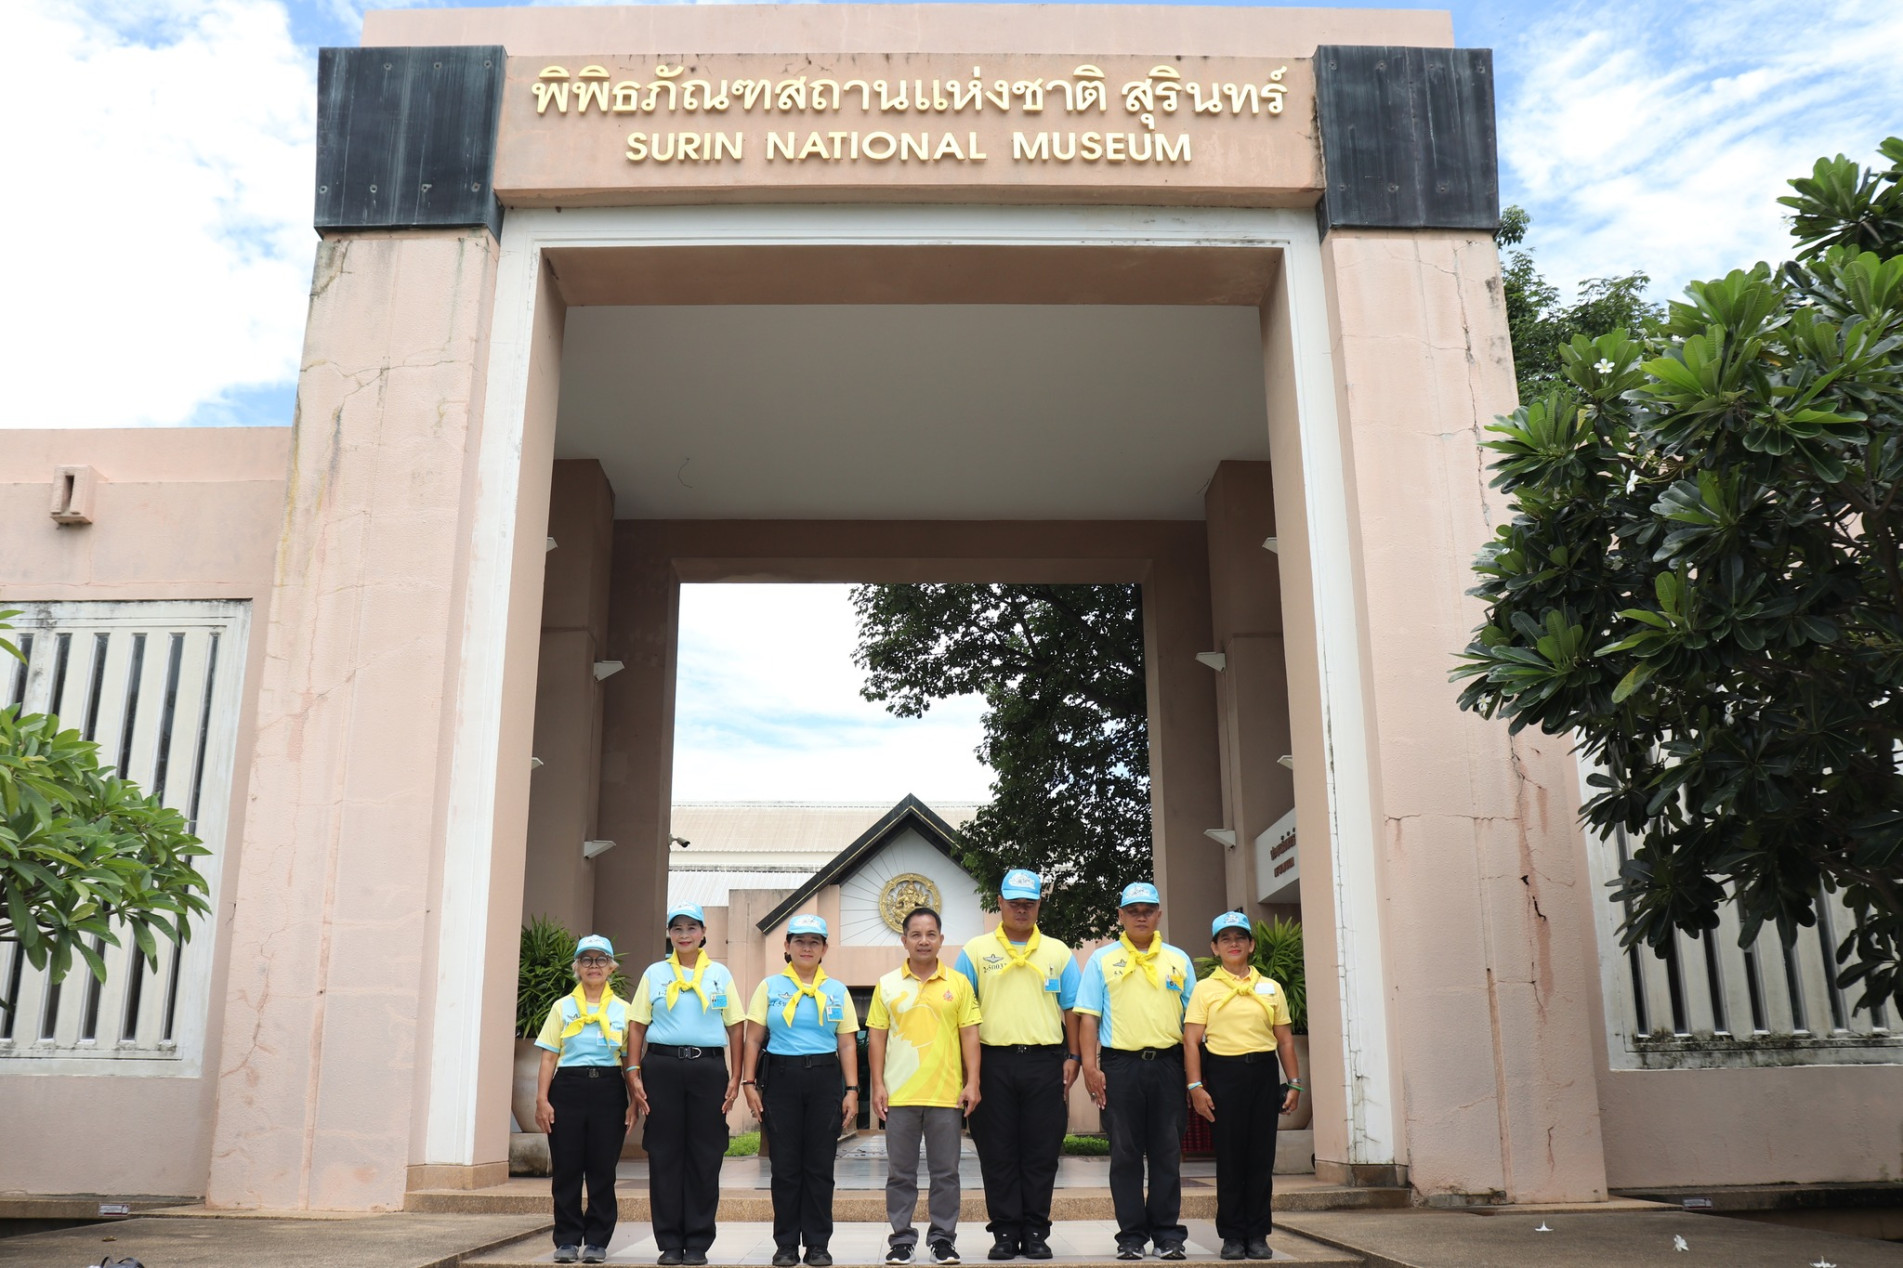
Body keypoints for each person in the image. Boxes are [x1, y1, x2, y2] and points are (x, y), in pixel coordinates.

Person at [953, 869, 1082, 1262]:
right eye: (1014, 903)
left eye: (1028, 903)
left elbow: (1072, 1009)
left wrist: (1074, 1056)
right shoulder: (975, 951)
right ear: (1000, 903)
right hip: (992, 1062)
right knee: (997, 1152)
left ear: (1039, 904)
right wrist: (969, 1073)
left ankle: (1037, 1231)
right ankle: (1006, 1232)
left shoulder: (1058, 952)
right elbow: (961, 1013)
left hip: (1045, 1062)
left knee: (1042, 1151)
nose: (1021, 909)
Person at [1075, 882, 1196, 1262]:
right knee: (1124, 1153)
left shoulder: (1178, 959)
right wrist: (1090, 1067)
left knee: (1167, 1152)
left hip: (1168, 1064)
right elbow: (1089, 1017)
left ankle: (1167, 1235)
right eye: (1133, 911)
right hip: (1120, 1066)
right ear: (1121, 916)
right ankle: (1130, 1236)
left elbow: (1193, 1022)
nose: (1141, 917)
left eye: (1147, 910)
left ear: (1158, 914)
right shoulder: (1102, 959)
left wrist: (1194, 1077)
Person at [627, 904, 746, 1267]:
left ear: (703, 932)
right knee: (664, 1153)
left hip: (707, 1068)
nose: (684, 934)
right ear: (669, 933)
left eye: (691, 927)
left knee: (705, 1155)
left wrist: (736, 1075)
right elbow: (637, 1024)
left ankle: (697, 1242)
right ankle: (669, 1242)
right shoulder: (655, 973)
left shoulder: (719, 974)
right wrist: (633, 1070)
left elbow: (735, 1027)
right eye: (677, 928)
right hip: (662, 1067)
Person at [742, 914, 861, 1268]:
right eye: (800, 941)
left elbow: (847, 1044)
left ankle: (818, 1244)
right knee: (785, 1167)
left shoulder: (836, 990)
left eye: (814, 942)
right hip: (781, 1079)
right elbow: (753, 1038)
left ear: (824, 948)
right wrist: (748, 1083)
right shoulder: (769, 987)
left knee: (820, 1166)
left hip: (825, 1079)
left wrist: (852, 1089)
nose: (807, 948)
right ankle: (786, 1245)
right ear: (787, 945)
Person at [868, 906, 983, 1268]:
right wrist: (877, 1084)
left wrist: (973, 1082)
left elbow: (970, 1035)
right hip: (900, 1095)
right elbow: (876, 1037)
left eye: (930, 934)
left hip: (946, 1095)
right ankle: (901, 1241)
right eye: (916, 935)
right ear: (904, 940)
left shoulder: (958, 984)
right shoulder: (887, 984)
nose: (923, 941)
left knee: (946, 1173)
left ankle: (943, 1240)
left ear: (941, 939)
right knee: (900, 1174)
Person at [1184, 911, 1301, 1262]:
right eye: (1225, 939)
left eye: (1239, 938)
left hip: (1263, 1073)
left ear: (1251, 945)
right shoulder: (1205, 989)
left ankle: (1258, 1234)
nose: (1233, 944)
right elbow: (1191, 1041)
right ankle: (1233, 1235)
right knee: (1231, 1158)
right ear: (1214, 948)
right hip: (1224, 1074)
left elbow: (1285, 1040)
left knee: (1261, 1158)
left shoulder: (1271, 987)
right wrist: (1195, 1086)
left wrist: (1294, 1083)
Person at [534, 934, 642, 1266]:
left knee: (602, 1169)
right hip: (567, 1088)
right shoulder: (562, 1007)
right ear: (577, 967)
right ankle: (567, 1238)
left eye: (600, 960)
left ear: (611, 967)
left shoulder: (624, 1010)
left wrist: (633, 1101)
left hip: (608, 1089)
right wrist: (542, 1099)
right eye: (586, 960)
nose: (593, 966)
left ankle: (597, 1240)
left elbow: (630, 1060)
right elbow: (549, 1057)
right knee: (566, 1168)